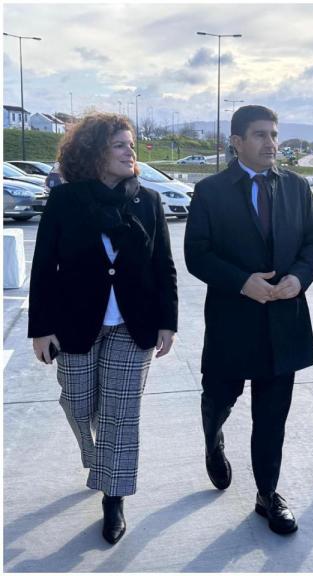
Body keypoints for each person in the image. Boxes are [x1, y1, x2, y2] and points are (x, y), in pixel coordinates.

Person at [28, 113, 178, 545]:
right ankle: (99, 459)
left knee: (120, 415)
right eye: (119, 145)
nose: (130, 152)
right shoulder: (65, 201)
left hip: (135, 326)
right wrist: (41, 328)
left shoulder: (146, 201)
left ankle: (114, 496)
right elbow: (44, 268)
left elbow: (162, 265)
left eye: (131, 144)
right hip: (75, 322)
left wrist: (168, 320)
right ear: (94, 152)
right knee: (77, 403)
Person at [183, 105, 313, 535]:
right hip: (232, 321)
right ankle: (213, 437)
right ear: (237, 141)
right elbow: (197, 254)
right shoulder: (211, 191)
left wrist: (299, 278)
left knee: (272, 416)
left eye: (274, 135)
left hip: (284, 321)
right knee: (219, 398)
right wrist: (241, 282)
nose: (271, 144)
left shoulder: (297, 188)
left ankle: (267, 494)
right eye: (260, 135)